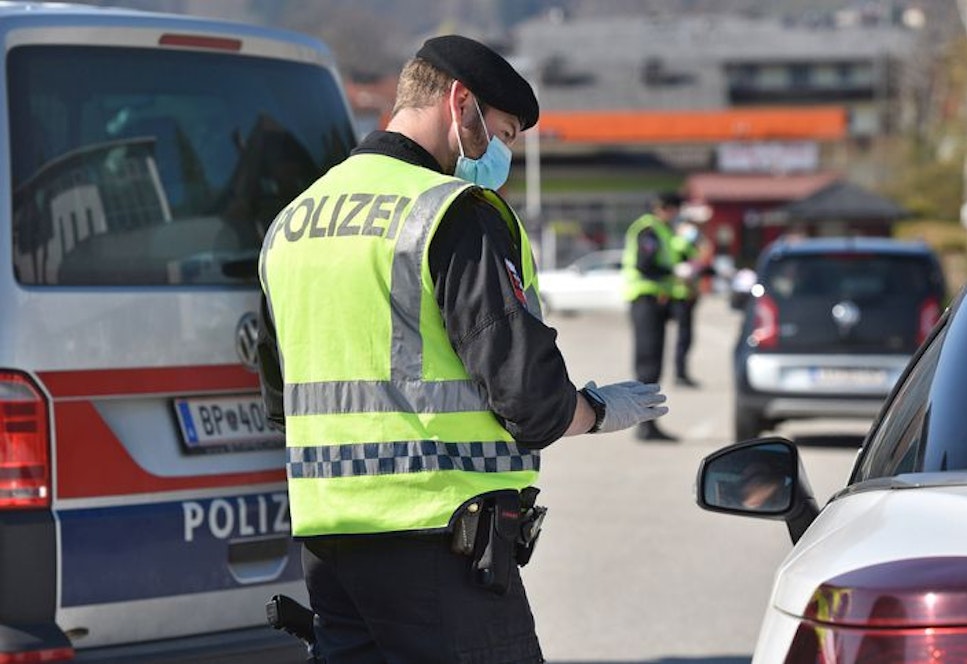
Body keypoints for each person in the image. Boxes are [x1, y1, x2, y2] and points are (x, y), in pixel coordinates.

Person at [256, 34, 670, 664]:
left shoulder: (293, 222)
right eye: (501, 132)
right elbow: (529, 399)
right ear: (460, 102)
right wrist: (596, 410)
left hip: (329, 544)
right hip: (439, 537)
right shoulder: (448, 213)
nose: (500, 151)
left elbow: (281, 401)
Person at [622, 192, 682, 441]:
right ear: (664, 208)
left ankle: (649, 423)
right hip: (645, 301)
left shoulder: (661, 229)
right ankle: (645, 426)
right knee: (647, 365)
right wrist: (674, 271)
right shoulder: (649, 229)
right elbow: (645, 264)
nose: (677, 215)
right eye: (675, 209)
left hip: (655, 301)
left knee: (653, 365)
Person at [668, 216, 704, 388]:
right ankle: (680, 374)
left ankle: (682, 372)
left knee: (686, 337)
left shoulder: (689, 246)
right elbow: (682, 271)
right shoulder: (679, 245)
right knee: (683, 337)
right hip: (680, 296)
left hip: (688, 296)